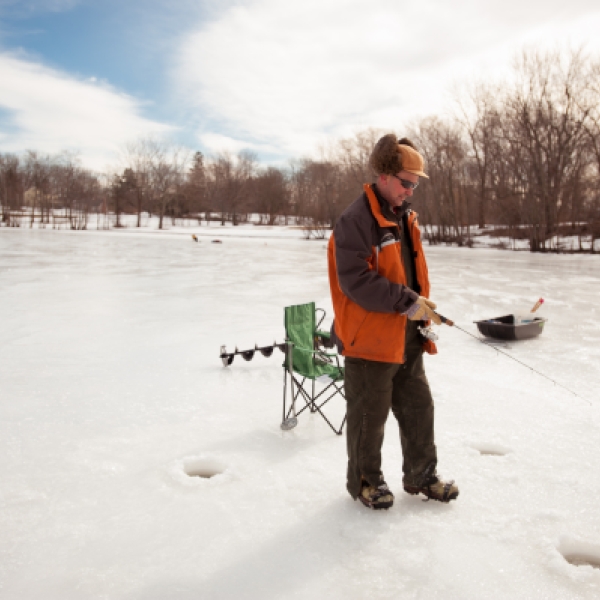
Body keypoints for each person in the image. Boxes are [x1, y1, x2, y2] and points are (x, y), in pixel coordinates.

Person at [327, 134, 458, 510]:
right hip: (369, 341)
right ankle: (366, 483)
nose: (410, 190)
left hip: (406, 335)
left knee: (419, 407)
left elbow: (407, 276)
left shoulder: (405, 218)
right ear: (384, 176)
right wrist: (407, 300)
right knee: (369, 416)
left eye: (415, 184)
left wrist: (420, 308)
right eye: (406, 182)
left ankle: (422, 476)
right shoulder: (356, 220)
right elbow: (355, 281)